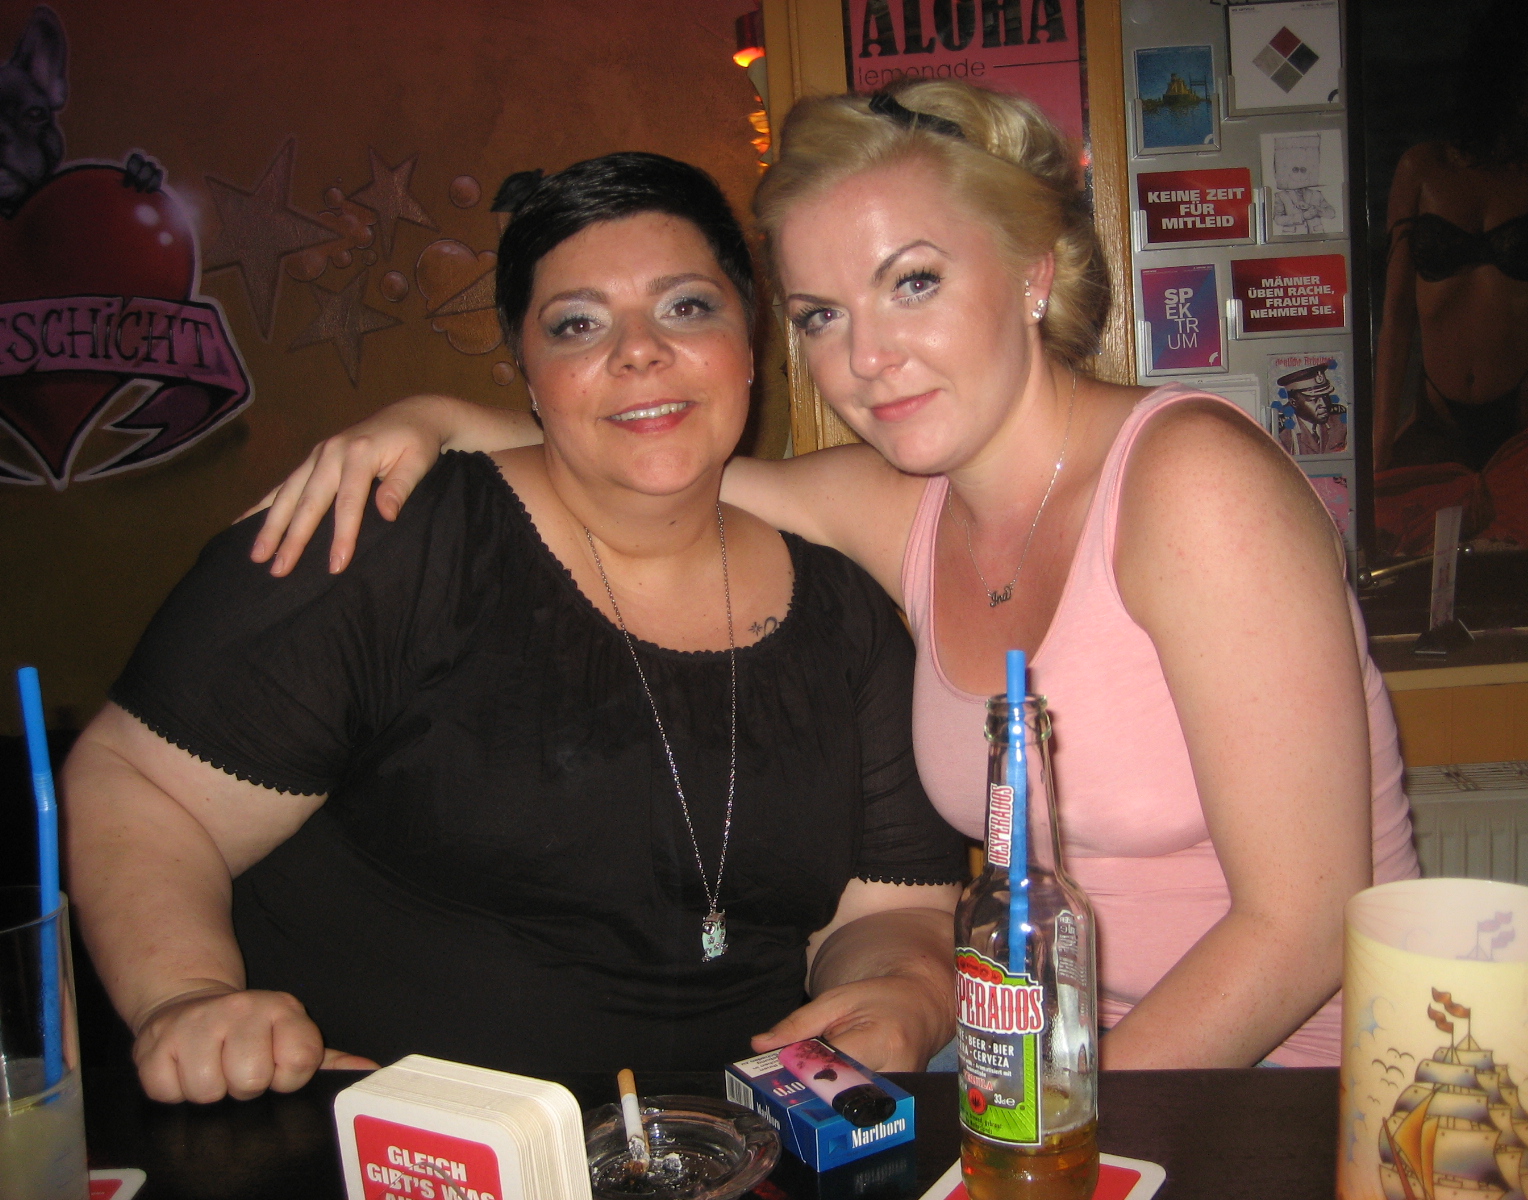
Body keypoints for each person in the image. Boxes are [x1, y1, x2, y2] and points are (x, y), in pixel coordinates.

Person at [249, 80, 1420, 1069]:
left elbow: (1305, 925)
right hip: (1041, 1058)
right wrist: (432, 419)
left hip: (1288, 1089)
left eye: (913, 283)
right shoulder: (903, 503)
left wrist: (1045, 1138)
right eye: (819, 315)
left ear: (1031, 272)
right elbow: (658, 460)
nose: (865, 357)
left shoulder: (1194, 485)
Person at [61, 152, 969, 1106]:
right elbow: (136, 785)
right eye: (578, 324)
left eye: (687, 307)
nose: (638, 351)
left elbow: (893, 908)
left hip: (730, 1144)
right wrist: (189, 995)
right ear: (528, 375)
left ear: (750, 343)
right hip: (399, 1141)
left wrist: (905, 987)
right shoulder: (393, 534)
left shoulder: (845, 609)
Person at [1373, 0, 1528, 488]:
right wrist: (1380, 437)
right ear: (1503, 76)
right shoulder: (1423, 168)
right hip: (1435, 411)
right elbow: (1396, 318)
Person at [1274, 362, 1348, 456]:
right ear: (1294, 402)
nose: (1324, 404)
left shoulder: (1340, 423)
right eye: (1314, 399)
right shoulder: (1282, 433)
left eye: (1325, 396)